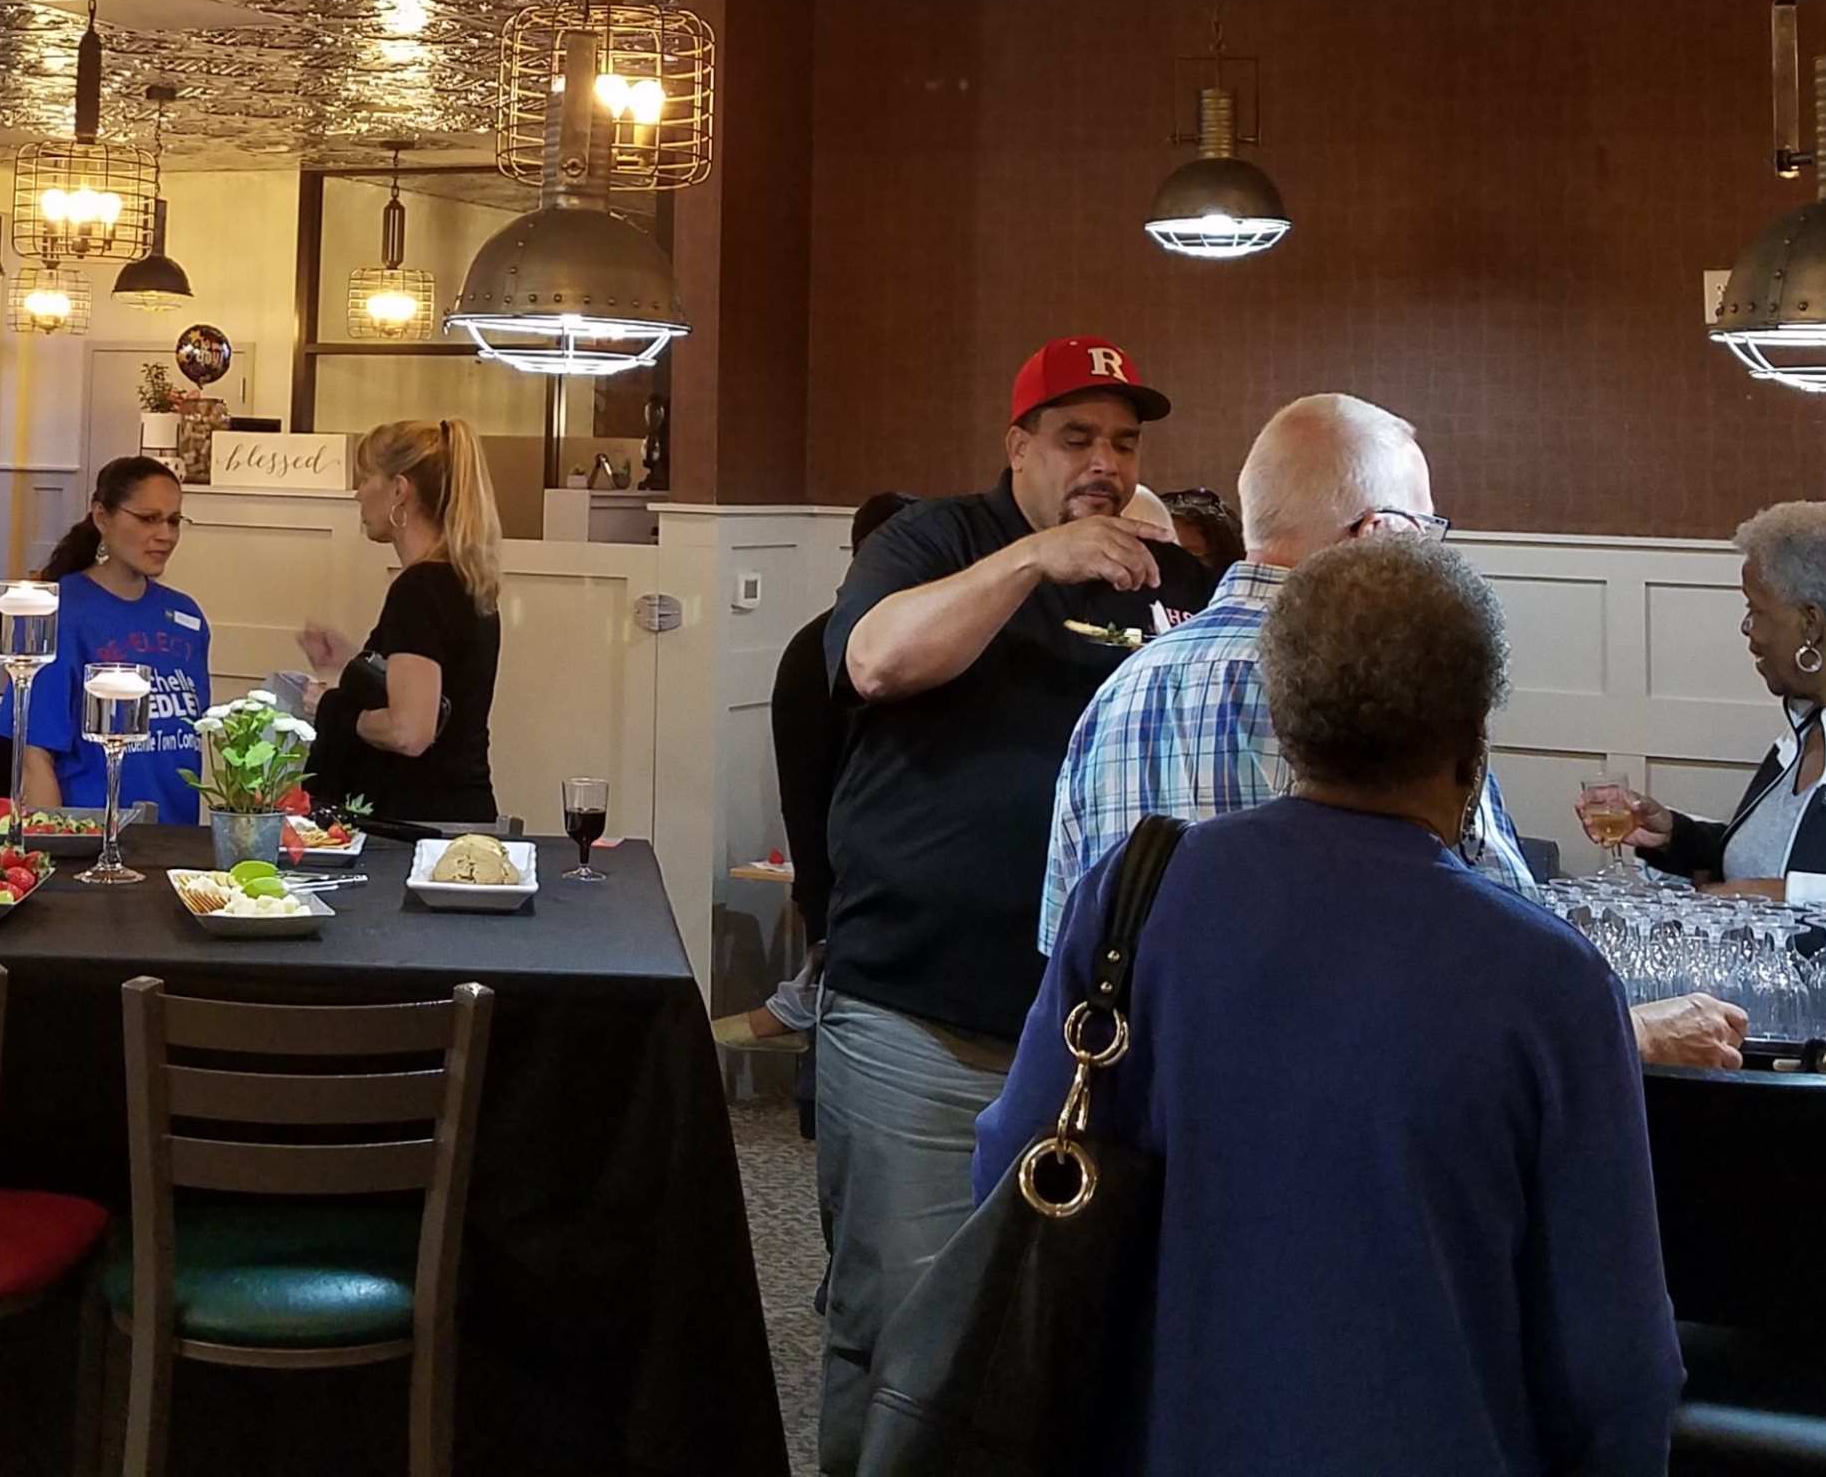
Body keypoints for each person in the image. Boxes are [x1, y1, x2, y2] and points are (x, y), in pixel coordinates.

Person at [980, 538, 1682, 1477]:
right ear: (1473, 739)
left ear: (1287, 715)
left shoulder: (1134, 896)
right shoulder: (1549, 979)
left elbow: (1010, 1170)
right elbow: (1615, 1367)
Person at [1043, 392, 1744, 1070]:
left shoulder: (1117, 692)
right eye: (1426, 529)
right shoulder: (1395, 689)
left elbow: (1065, 954)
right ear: (1378, 533)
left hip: (1144, 1125)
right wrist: (1632, 1032)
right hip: (1356, 1122)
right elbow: (1511, 966)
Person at [810, 335, 1214, 1475]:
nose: (1105, 463)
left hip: (1108, 1040)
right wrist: (1037, 557)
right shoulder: (934, 540)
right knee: (906, 1334)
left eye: (1124, 443)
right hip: (925, 1018)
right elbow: (878, 662)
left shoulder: (1166, 580)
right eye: (1076, 438)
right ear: (1018, 445)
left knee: (1075, 1342)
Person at [1578, 499, 1826, 920]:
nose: (1748, 630)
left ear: (1810, 624)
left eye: (1755, 610)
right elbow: (1766, 863)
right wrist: (1675, 836)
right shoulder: (1810, 723)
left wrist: (1785, 896)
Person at [715, 490, 909, 1056]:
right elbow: (804, 800)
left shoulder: (934, 648)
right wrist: (821, 917)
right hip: (853, 894)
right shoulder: (817, 652)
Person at [296, 419, 501, 826]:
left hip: (418, 821)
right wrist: (352, 664)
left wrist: (332, 709)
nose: (357, 493)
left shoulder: (419, 590)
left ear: (399, 490)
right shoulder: (464, 582)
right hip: (459, 810)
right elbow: (441, 690)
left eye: (365, 478)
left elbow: (410, 731)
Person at [17, 454, 209, 829]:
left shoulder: (187, 617)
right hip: (91, 835)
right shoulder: (58, 613)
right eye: (148, 519)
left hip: (174, 838)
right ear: (102, 517)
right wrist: (49, 845)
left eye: (173, 521)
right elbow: (35, 758)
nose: (166, 535)